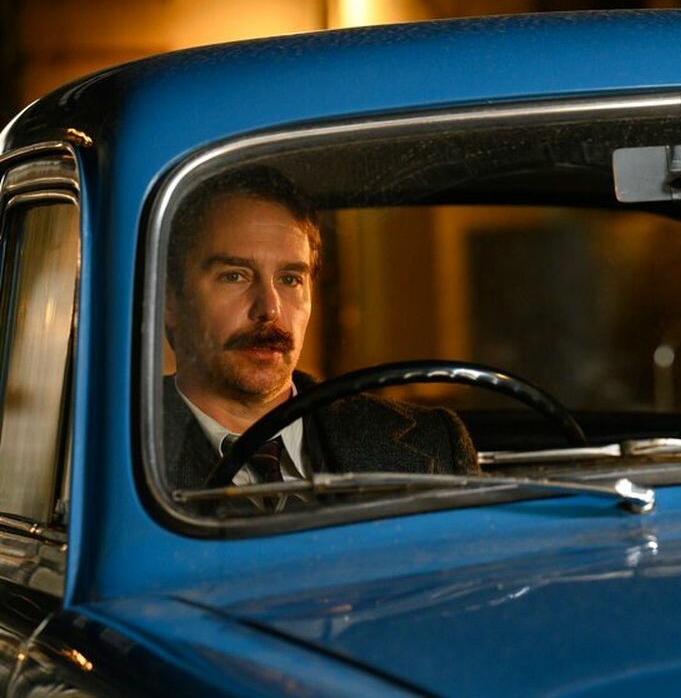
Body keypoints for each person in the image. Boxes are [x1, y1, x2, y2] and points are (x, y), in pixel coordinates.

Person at [162, 166, 478, 495]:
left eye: (290, 279)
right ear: (169, 302)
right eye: (234, 276)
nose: (270, 309)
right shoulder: (126, 453)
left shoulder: (431, 441)